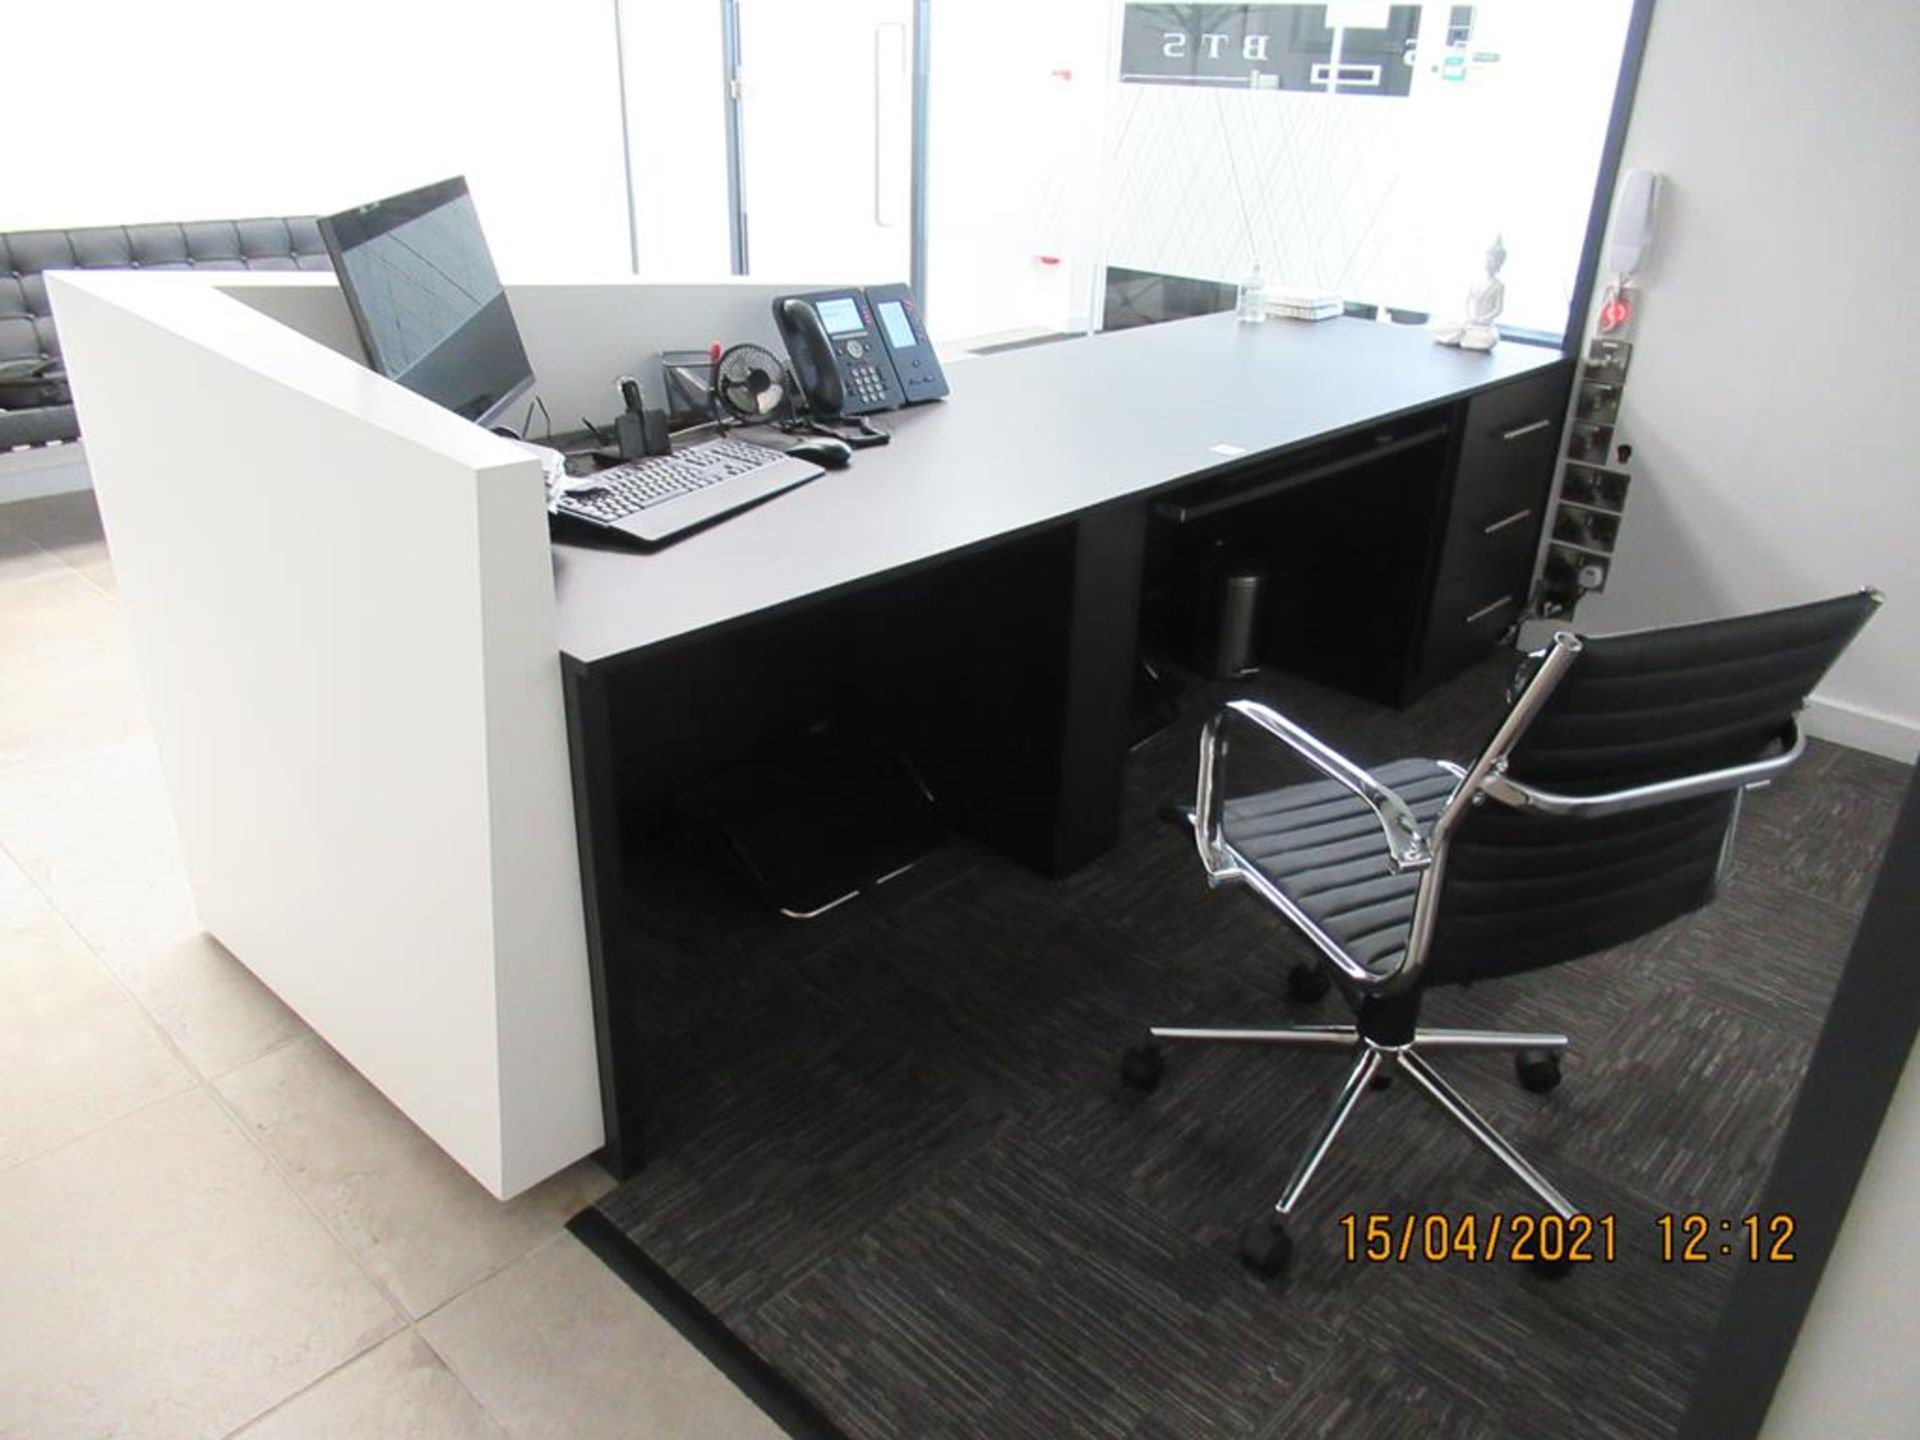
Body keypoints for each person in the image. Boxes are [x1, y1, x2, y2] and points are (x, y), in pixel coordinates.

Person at [1434, 236, 1506, 351]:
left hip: (1482, 326)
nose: (1488, 264)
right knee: (1445, 327)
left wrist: (1483, 319)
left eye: (1491, 262)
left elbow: (1498, 309)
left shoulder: (1499, 286)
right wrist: (1470, 315)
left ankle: (1467, 337)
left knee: (1486, 339)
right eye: (1487, 260)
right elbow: (1467, 301)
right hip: (1469, 321)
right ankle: (1462, 336)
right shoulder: (1475, 281)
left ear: (1498, 265)